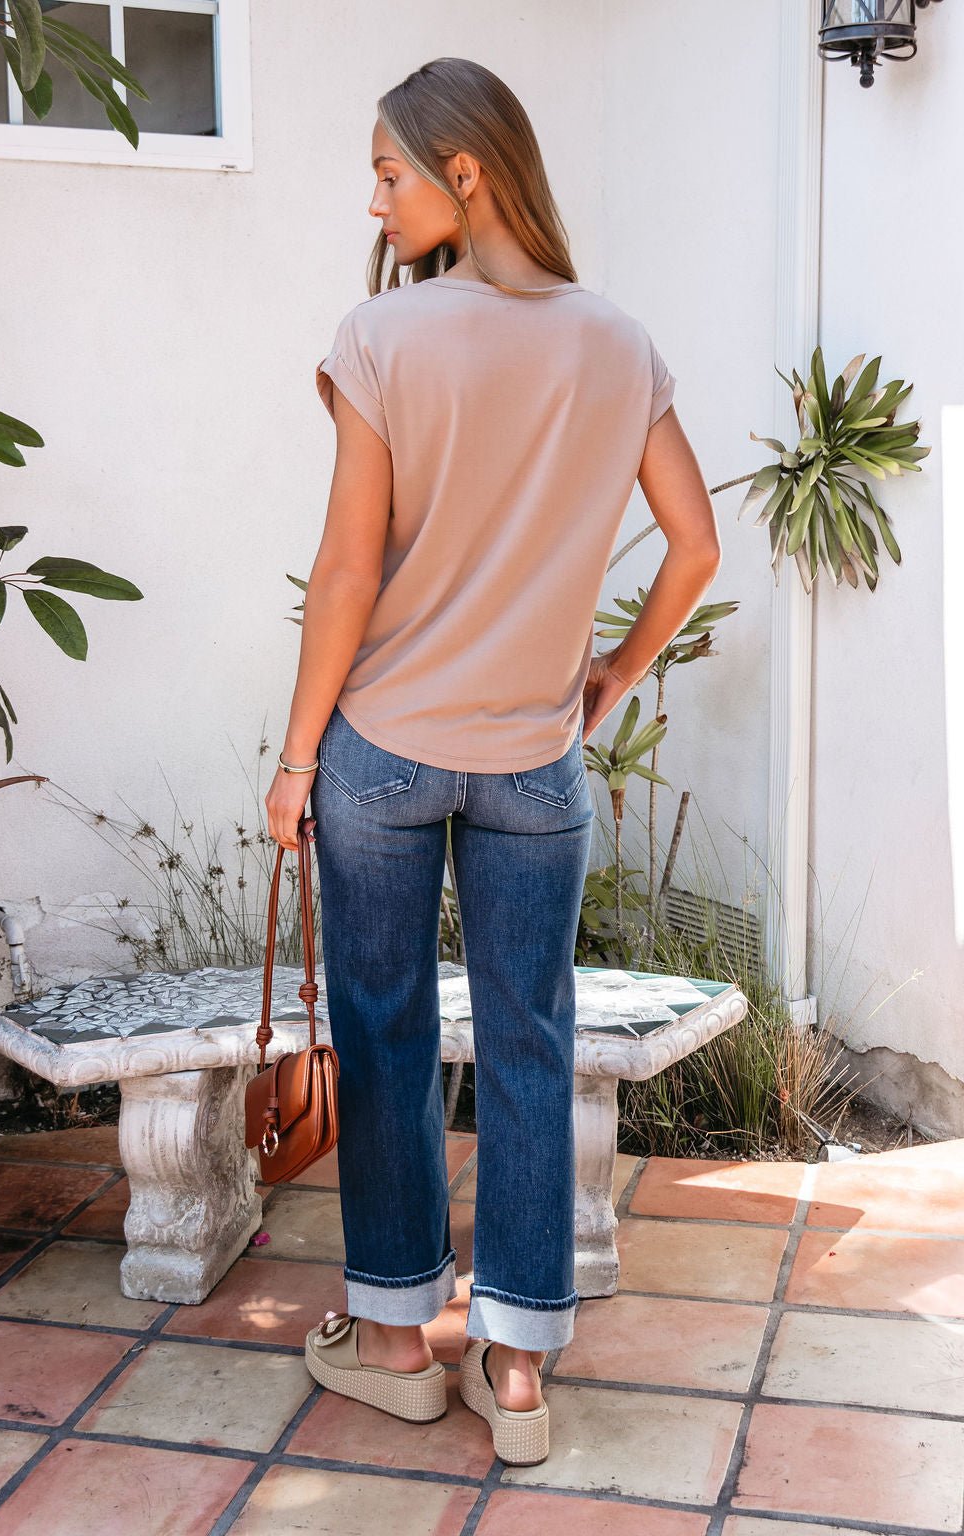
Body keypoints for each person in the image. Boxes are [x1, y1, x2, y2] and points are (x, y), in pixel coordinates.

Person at [265, 56, 721, 1466]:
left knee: (390, 1036)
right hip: (536, 765)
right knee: (529, 1045)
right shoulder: (617, 341)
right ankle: (517, 1370)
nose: (376, 195)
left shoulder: (383, 340)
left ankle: (398, 1344)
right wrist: (609, 676)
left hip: (384, 754)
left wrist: (294, 765)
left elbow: (346, 573)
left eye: (392, 170)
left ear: (466, 172)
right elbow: (697, 546)